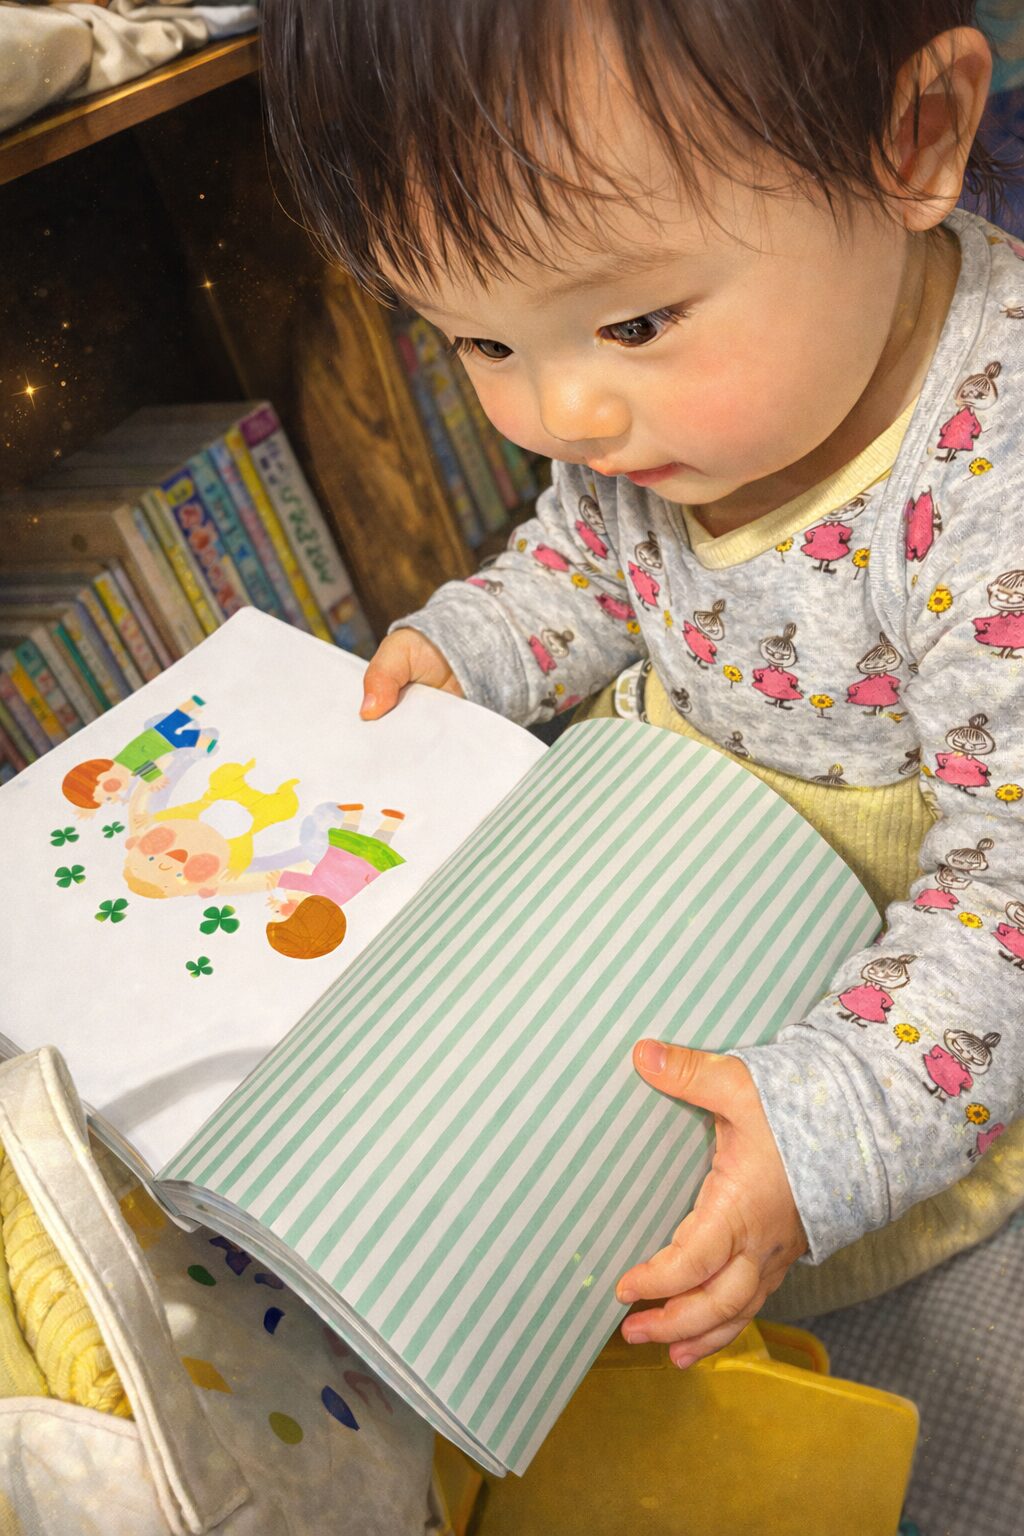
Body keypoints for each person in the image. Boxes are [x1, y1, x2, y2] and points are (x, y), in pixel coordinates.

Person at [261, 0, 1023, 1373]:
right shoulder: (658, 414)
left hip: (908, 990)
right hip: (673, 873)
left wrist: (831, 1122)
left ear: (911, 139)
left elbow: (1009, 899)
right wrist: (473, 646)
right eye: (479, 343)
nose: (564, 418)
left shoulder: (997, 488)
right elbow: (589, 560)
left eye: (634, 320)